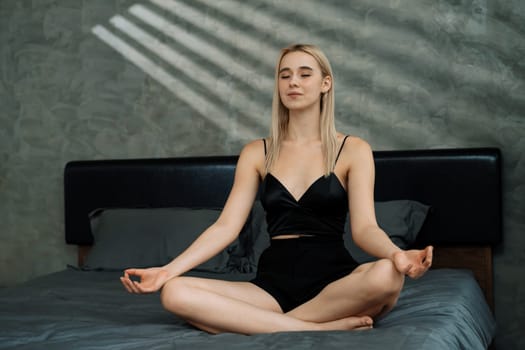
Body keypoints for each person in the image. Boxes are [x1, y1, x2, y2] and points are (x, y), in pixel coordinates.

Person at [120, 43, 433, 334]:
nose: (292, 82)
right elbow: (226, 227)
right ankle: (315, 327)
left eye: (304, 74)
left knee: (388, 274)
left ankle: (259, 324)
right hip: (272, 286)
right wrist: (166, 271)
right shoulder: (257, 152)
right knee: (175, 292)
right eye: (285, 75)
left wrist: (398, 254)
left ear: (326, 83)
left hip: (336, 282)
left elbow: (365, 229)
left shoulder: (353, 150)